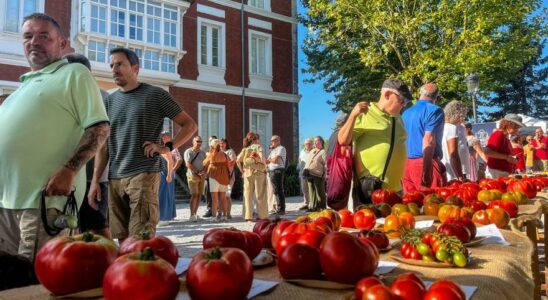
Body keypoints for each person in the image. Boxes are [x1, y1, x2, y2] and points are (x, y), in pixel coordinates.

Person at [0, 13, 109, 260]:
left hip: (44, 201)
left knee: (37, 279)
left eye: (44, 36)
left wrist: (70, 170)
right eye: (28, 36)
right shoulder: (23, 87)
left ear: (62, 44)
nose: (34, 41)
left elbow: (100, 128)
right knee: (8, 284)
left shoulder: (74, 74)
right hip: (5, 201)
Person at [88, 47, 197, 243]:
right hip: (115, 177)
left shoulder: (155, 95)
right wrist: (95, 181)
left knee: (140, 239)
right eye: (112, 65)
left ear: (135, 68)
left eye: (120, 64)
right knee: (121, 239)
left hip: (144, 174)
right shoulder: (110, 102)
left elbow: (190, 125)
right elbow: (103, 146)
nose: (114, 69)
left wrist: (167, 147)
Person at [338, 78, 410, 206]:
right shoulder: (365, 113)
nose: (404, 104)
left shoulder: (398, 118)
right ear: (387, 95)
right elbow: (342, 140)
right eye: (402, 100)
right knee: (371, 225)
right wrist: (353, 115)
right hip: (371, 188)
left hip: (396, 189)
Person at [64, 53, 111, 238]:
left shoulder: (103, 97)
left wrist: (97, 180)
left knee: (97, 228)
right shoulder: (66, 95)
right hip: (72, 176)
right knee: (72, 227)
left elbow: (104, 141)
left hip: (93, 177)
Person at [402, 83, 446, 193]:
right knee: (434, 204)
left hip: (406, 165)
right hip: (425, 161)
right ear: (437, 98)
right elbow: (429, 140)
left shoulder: (406, 113)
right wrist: (427, 170)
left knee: (411, 205)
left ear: (418, 94)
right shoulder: (435, 110)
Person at [237, 133, 268, 222]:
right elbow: (262, 159)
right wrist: (264, 166)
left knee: (247, 195)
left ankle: (248, 217)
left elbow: (237, 160)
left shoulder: (245, 149)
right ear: (256, 139)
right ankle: (262, 216)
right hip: (259, 173)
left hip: (247, 174)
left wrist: (242, 171)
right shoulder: (258, 147)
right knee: (260, 195)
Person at [484, 114, 523, 178]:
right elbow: (487, 152)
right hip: (496, 172)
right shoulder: (498, 134)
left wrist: (512, 158)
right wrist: (507, 157)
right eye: (516, 127)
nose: (517, 129)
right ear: (509, 124)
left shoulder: (505, 137)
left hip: (501, 172)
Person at [440, 100, 469, 181]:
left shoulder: (440, 127)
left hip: (445, 168)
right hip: (454, 171)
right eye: (462, 115)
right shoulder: (451, 128)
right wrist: (460, 175)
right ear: (456, 114)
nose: (463, 118)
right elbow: (453, 154)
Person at [203, 139, 230, 221]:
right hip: (224, 177)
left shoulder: (212, 154)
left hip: (214, 176)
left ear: (212, 146)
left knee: (214, 198)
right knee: (223, 198)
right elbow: (229, 164)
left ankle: (214, 217)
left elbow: (204, 163)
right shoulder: (225, 155)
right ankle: (225, 216)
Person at [159, 132, 182, 222]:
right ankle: (170, 215)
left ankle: (165, 217)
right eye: (162, 137)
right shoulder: (160, 147)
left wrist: (172, 170)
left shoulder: (172, 147)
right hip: (164, 172)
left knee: (166, 195)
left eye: (165, 137)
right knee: (167, 194)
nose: (163, 138)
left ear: (169, 137)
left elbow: (179, 160)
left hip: (167, 172)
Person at [184, 136, 206, 222]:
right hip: (192, 176)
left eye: (201, 141)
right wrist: (197, 172)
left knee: (199, 195)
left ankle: (195, 214)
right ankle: (192, 215)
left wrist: (204, 171)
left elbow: (205, 163)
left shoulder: (202, 152)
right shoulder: (188, 151)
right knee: (194, 194)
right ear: (193, 142)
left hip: (202, 176)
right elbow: (188, 164)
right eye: (197, 141)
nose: (199, 143)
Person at [303, 136, 327, 211]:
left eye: (317, 141)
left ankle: (322, 207)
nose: (315, 142)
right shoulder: (312, 151)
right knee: (311, 191)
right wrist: (304, 170)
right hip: (309, 173)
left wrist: (325, 174)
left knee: (320, 192)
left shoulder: (323, 152)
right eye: (315, 141)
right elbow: (308, 161)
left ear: (321, 142)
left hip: (318, 174)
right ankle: (313, 207)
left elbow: (326, 164)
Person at [267, 135, 287, 215]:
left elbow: (275, 160)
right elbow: (267, 161)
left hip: (277, 171)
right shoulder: (273, 150)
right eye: (271, 141)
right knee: (275, 191)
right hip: (272, 171)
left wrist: (269, 160)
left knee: (279, 190)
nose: (272, 142)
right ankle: (279, 208)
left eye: (274, 140)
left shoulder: (281, 148)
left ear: (278, 140)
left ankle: (281, 209)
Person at [202, 135, 218, 218]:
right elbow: (204, 163)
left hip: (217, 175)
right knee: (207, 192)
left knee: (217, 193)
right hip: (208, 175)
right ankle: (209, 209)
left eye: (213, 140)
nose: (211, 142)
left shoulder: (219, 151)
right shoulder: (205, 151)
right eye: (210, 140)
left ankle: (217, 210)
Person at [220, 138, 236, 219]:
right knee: (222, 195)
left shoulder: (230, 151)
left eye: (223, 143)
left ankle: (228, 213)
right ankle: (223, 213)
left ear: (226, 144)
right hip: (220, 177)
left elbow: (233, 161)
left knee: (227, 195)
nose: (221, 145)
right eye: (220, 143)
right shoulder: (218, 152)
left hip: (229, 176)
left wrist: (224, 163)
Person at [297, 138, 313, 210]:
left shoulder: (314, 151)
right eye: (306, 144)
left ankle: (312, 204)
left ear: (312, 144)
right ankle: (306, 203)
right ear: (304, 145)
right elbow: (299, 160)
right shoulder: (302, 151)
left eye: (309, 144)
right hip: (303, 173)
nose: (308, 145)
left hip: (311, 172)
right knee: (304, 189)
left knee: (311, 189)